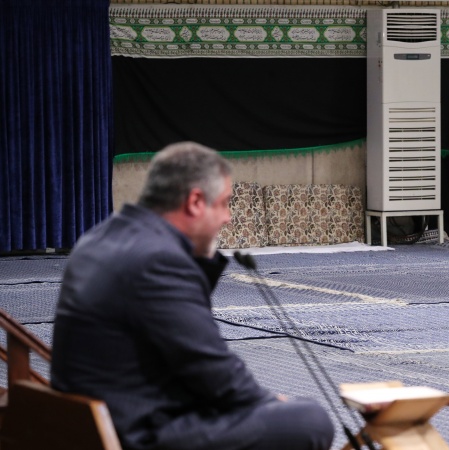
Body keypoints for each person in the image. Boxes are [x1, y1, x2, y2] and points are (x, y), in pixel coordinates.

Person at [50, 142, 334, 450]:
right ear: (195, 201)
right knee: (309, 419)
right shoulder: (158, 260)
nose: (227, 217)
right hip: (137, 432)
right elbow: (211, 368)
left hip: (91, 421)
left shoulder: (100, 237)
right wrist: (271, 403)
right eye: (224, 203)